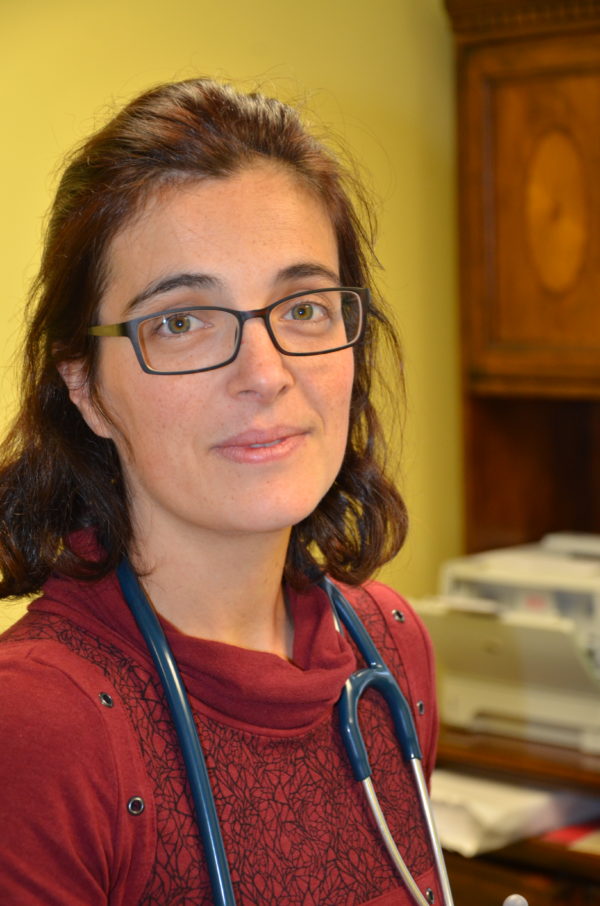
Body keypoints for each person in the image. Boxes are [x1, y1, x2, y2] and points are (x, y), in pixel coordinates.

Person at [0, 78, 440, 906]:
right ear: (85, 386)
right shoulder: (38, 726)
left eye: (303, 307)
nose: (265, 375)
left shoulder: (390, 648)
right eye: (181, 321)